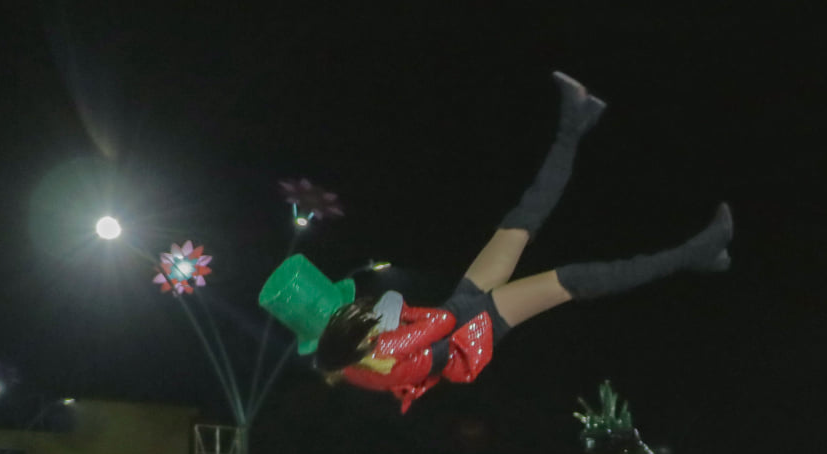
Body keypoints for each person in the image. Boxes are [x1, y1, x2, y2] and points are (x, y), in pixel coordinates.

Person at [262, 73, 730, 414]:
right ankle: (698, 252)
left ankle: (575, 119)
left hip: (461, 309)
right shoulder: (374, 359)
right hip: (473, 327)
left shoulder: (362, 354)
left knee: (524, 218)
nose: (358, 314)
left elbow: (413, 314)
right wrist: (392, 310)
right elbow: (438, 322)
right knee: (579, 279)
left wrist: (390, 309)